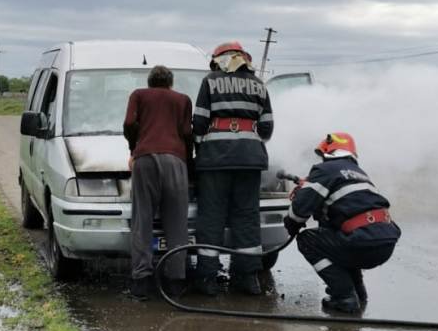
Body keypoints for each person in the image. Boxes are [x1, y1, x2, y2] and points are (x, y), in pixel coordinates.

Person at [283, 132, 401, 313]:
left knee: (308, 240)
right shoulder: (359, 174)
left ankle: (344, 296)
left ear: (329, 152)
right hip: (385, 244)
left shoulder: (324, 170)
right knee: (339, 239)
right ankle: (359, 293)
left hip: (362, 242)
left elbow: (299, 212)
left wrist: (292, 221)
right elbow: (345, 208)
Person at [192, 41, 274, 295]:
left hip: (215, 161)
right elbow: (267, 127)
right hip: (250, 161)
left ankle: (207, 279)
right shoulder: (259, 85)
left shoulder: (210, 81)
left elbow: (199, 122)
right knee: (247, 217)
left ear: (219, 59)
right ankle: (247, 278)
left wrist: (202, 146)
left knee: (211, 218)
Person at [123, 65, 193, 299]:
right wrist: (188, 165)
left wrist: (135, 147)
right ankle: (176, 282)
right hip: (176, 160)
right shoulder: (182, 100)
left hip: (145, 160)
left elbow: (129, 124)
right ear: (170, 83)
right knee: (177, 223)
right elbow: (186, 132)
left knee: (142, 221)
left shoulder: (138, 95)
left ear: (150, 81)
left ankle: (142, 281)